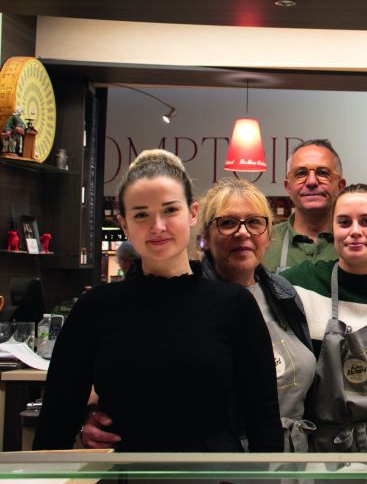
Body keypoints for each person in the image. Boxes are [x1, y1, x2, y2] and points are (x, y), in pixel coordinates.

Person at [33, 150, 282, 452]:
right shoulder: (94, 309)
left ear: (192, 213)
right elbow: (54, 425)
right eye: (141, 214)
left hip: (214, 475)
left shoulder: (235, 306)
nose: (158, 226)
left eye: (170, 210)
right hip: (123, 476)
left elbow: (264, 425)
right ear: (124, 224)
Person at [81, 178, 316, 452]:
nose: (243, 233)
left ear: (268, 234)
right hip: (221, 463)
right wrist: (96, 415)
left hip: (295, 460)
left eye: (254, 222)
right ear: (204, 238)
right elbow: (135, 375)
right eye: (227, 223)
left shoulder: (283, 293)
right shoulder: (180, 300)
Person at [280, 183, 367, 452]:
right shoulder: (298, 285)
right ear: (333, 229)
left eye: (366, 221)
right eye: (344, 222)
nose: (354, 231)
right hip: (321, 448)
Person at [263, 139, 346, 273]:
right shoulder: (264, 242)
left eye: (323, 172)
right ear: (288, 187)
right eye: (301, 173)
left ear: (340, 187)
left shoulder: (360, 242)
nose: (311, 182)